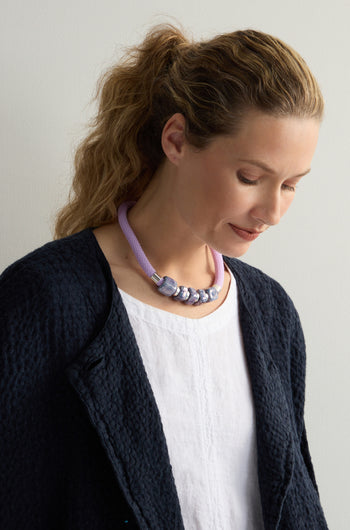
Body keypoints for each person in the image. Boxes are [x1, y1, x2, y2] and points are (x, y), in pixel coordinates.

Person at [0, 24, 329, 530]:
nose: (272, 211)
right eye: (251, 177)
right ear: (175, 140)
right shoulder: (45, 301)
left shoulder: (270, 312)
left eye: (290, 185)